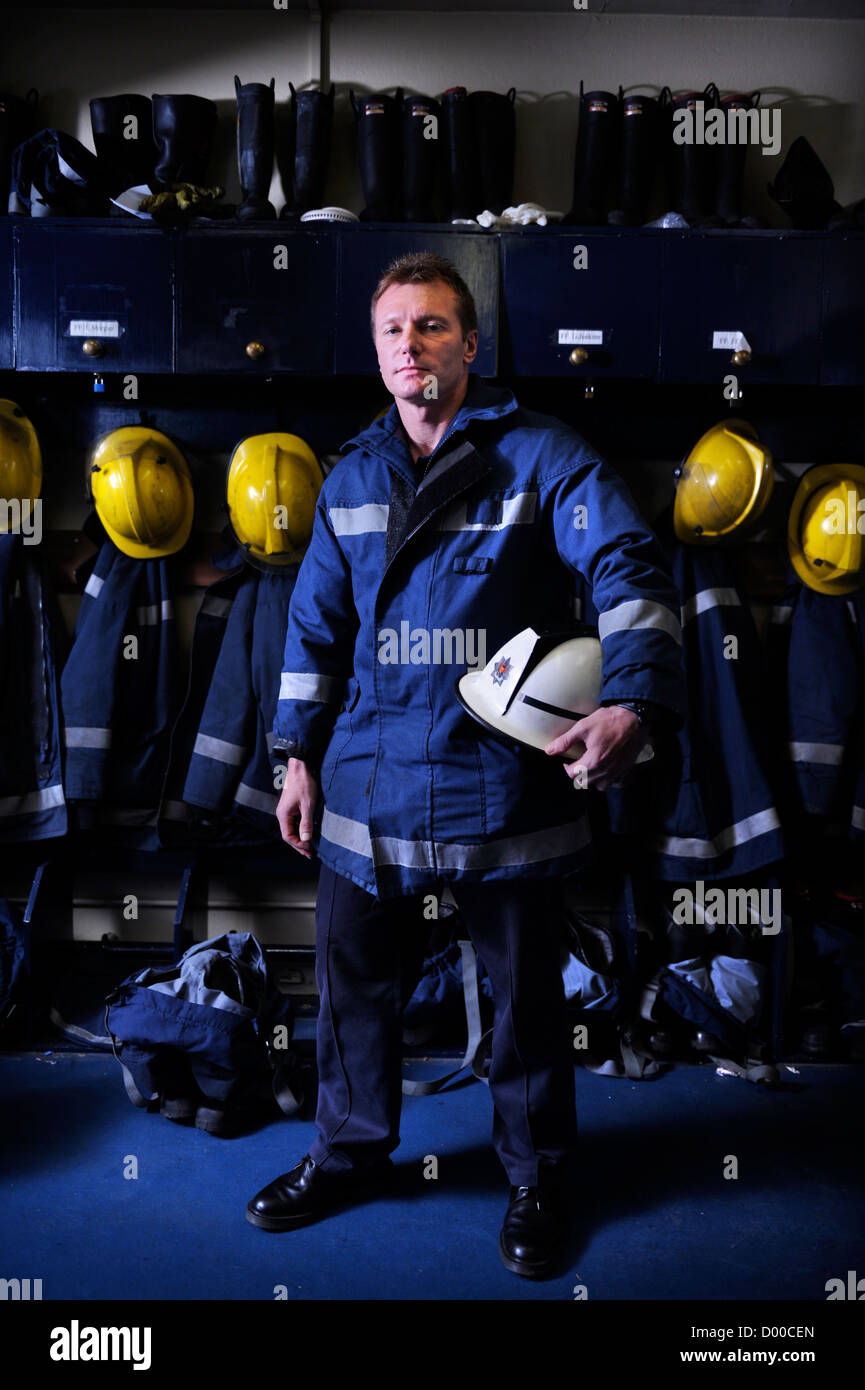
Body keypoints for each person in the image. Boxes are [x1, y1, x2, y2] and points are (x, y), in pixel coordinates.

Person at [246, 252, 685, 1278]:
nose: (413, 345)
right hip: (365, 775)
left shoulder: (542, 456)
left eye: (434, 326)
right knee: (352, 989)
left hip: (502, 785)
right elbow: (313, 629)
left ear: (470, 345)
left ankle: (537, 1177)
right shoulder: (351, 473)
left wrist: (631, 699)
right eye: (394, 329)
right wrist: (293, 758)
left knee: (526, 999)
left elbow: (627, 566)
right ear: (377, 350)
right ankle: (349, 1153)